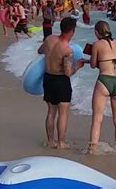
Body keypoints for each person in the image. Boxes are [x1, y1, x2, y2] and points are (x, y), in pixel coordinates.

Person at [37, 17, 85, 148]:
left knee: (51, 112)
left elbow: (40, 51)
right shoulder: (67, 50)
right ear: (72, 31)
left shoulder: (49, 39)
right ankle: (61, 142)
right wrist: (79, 65)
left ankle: (50, 141)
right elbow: (68, 72)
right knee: (63, 113)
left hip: (48, 78)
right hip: (61, 81)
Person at [86, 21, 116, 154]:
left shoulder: (97, 44)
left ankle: (93, 148)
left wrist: (89, 57)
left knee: (97, 118)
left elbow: (93, 64)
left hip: (104, 81)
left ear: (97, 32)